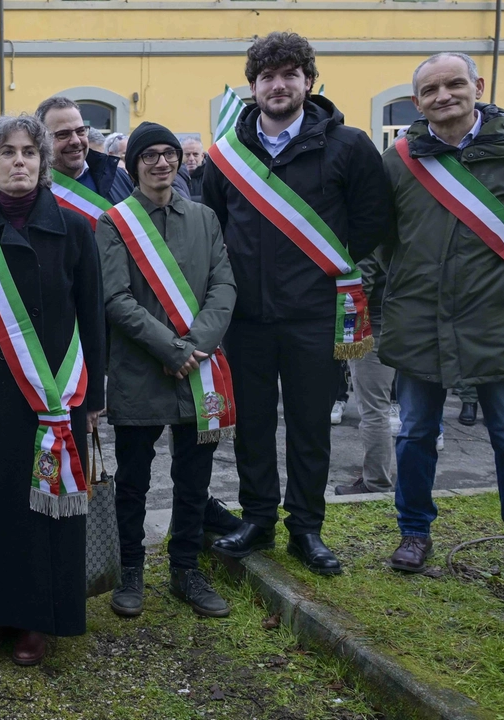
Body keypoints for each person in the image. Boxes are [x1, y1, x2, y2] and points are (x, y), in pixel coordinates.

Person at [203, 32, 393, 575]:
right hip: (247, 319)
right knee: (254, 424)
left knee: (311, 426)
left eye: (290, 74)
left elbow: (372, 224)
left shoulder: (350, 145)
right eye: (267, 76)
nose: (278, 85)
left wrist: (336, 283)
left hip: (315, 316)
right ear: (253, 87)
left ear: (309, 81)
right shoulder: (226, 156)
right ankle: (258, 518)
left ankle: (307, 528)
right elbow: (213, 227)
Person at [0, 114, 105, 666]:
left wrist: (94, 398)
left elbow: (93, 318)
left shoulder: (77, 229)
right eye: (6, 152)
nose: (18, 162)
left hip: (57, 398)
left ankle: (40, 618)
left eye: (29, 152)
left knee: (48, 508)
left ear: (43, 161)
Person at [379, 52, 504, 587]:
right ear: (418, 101)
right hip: (419, 321)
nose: (443, 96)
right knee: (416, 434)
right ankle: (414, 533)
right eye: (430, 90)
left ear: (479, 85)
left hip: (499, 323)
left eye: (454, 84)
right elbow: (382, 240)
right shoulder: (399, 160)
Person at [97, 123, 237, 620]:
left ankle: (184, 570)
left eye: (169, 155)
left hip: (198, 371)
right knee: (134, 480)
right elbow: (115, 298)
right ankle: (131, 570)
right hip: (141, 370)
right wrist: (170, 348)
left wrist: (195, 346)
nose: (161, 163)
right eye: (150, 155)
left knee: (194, 478)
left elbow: (224, 286)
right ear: (133, 164)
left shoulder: (204, 218)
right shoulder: (114, 222)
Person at [335, 254, 395, 496]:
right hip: (402, 317)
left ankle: (376, 482)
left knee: (374, 410)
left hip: (375, 323)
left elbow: (361, 284)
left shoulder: (374, 231)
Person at [35, 95, 133, 228]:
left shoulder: (118, 176)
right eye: (63, 134)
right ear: (42, 140)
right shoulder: (34, 193)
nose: (76, 141)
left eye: (81, 131)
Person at [181, 136, 207, 201]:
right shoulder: (174, 176)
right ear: (180, 155)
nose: (191, 159)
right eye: (187, 154)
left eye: (195, 154)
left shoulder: (211, 175)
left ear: (202, 156)